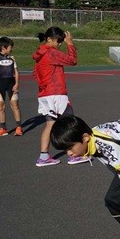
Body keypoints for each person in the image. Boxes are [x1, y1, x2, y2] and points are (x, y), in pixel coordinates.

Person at [32, 27, 88, 167]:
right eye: (59, 41)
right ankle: (73, 155)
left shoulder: (40, 53)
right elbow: (72, 60)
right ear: (49, 39)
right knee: (70, 124)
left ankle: (44, 156)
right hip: (56, 93)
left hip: (44, 94)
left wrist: (44, 85)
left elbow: (35, 74)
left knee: (50, 125)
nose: (60, 44)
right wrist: (70, 44)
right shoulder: (51, 53)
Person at [0, 37, 23, 136]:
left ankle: (19, 127)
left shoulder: (12, 59)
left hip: (11, 84)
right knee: (0, 107)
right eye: (10, 47)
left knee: (15, 105)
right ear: (4, 48)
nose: (11, 49)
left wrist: (17, 84)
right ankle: (3, 128)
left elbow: (16, 72)